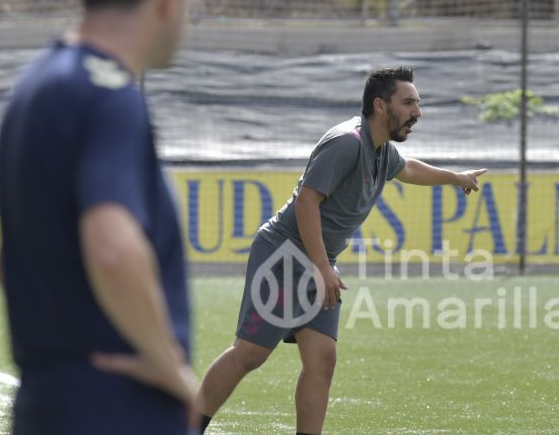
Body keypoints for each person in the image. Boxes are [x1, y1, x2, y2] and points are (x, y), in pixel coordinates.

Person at [195, 66, 487, 434]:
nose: (418, 112)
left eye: (419, 102)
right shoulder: (347, 141)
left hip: (318, 261)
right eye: (409, 102)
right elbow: (306, 201)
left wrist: (455, 177)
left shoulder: (381, 150)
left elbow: (409, 169)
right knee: (250, 353)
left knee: (322, 359)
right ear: (381, 106)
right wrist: (322, 266)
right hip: (283, 256)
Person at [0, 0, 196, 435]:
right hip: (117, 407)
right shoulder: (108, 94)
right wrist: (166, 363)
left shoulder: (35, 85)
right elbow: (112, 246)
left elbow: (6, 262)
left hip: (48, 403)